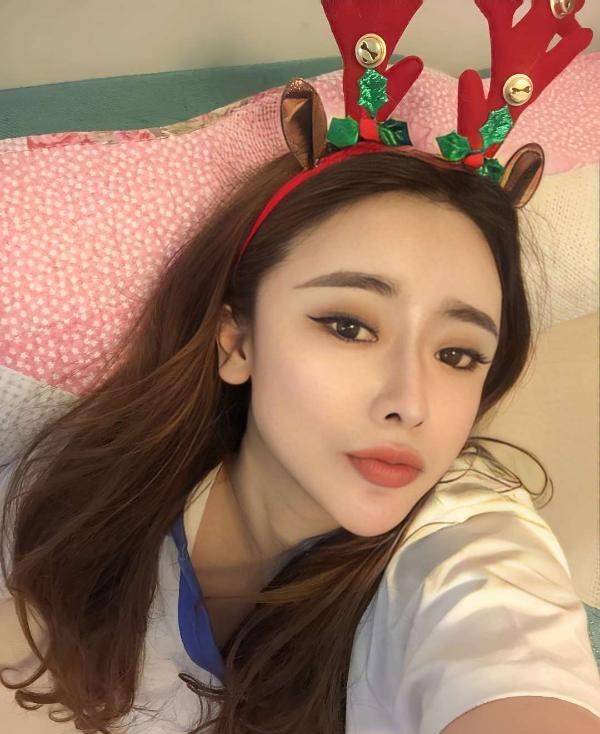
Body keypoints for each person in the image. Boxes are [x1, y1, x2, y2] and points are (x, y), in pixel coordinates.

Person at [1, 1, 599, 733]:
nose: (411, 403)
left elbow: (506, 654)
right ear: (237, 343)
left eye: (457, 354)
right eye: (349, 326)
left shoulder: (468, 564)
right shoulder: (100, 493)